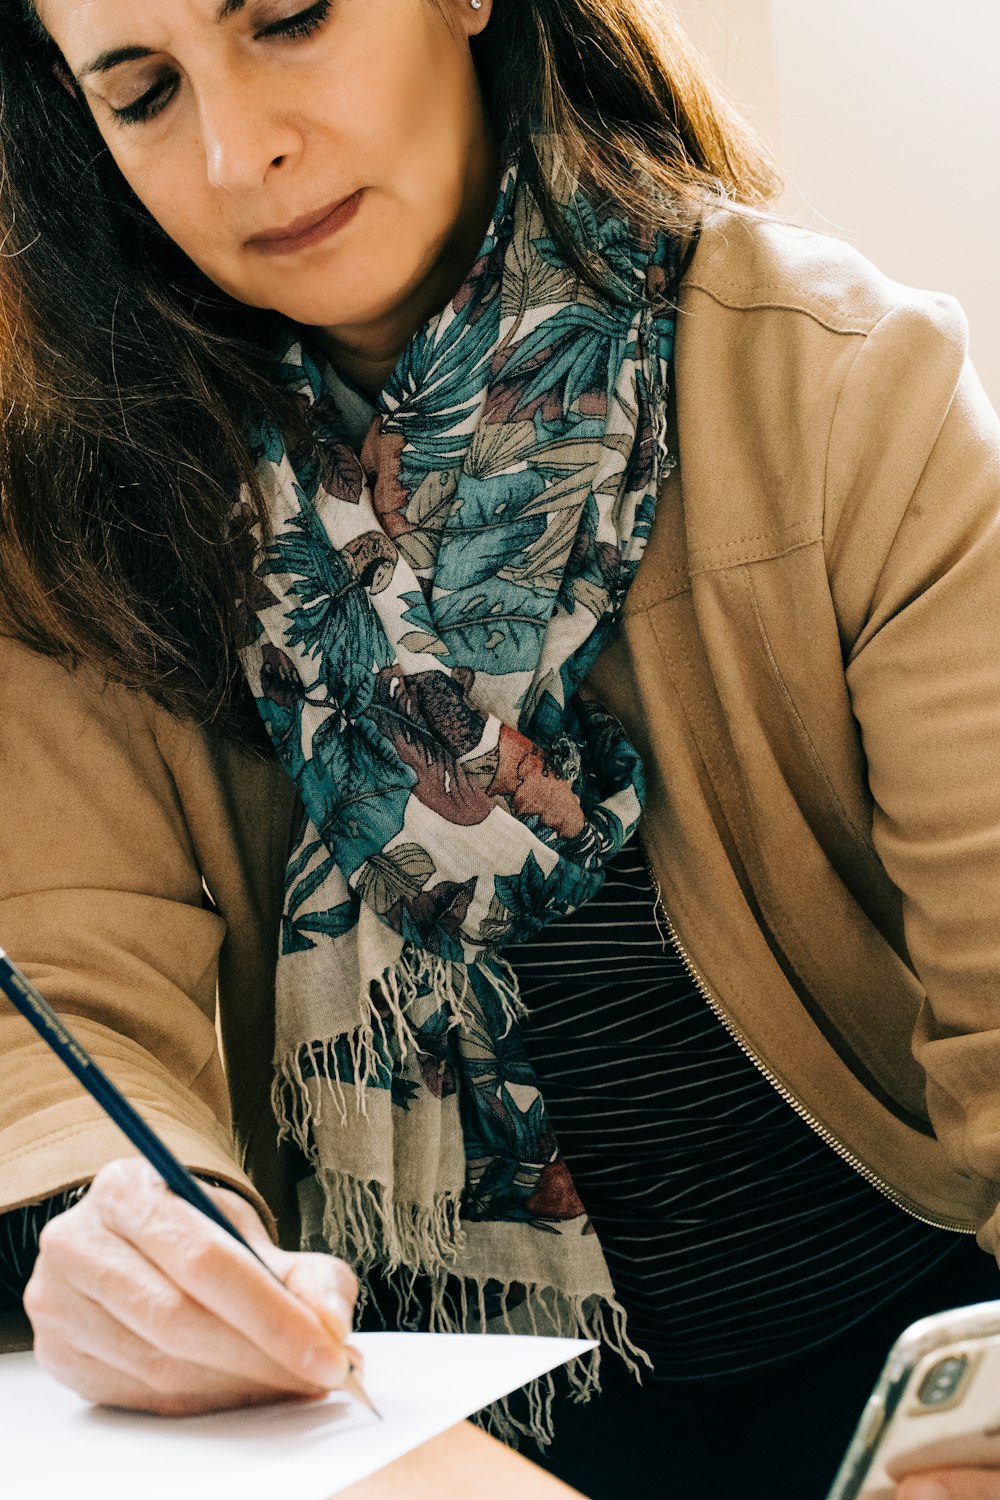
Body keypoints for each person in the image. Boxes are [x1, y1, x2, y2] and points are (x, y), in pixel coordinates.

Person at [0, 0, 997, 1495]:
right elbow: (61, 996)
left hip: (889, 1374)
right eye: (142, 93)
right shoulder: (94, 506)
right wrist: (134, 1222)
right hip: (402, 1410)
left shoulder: (846, 381)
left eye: (285, 17)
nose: (237, 148)